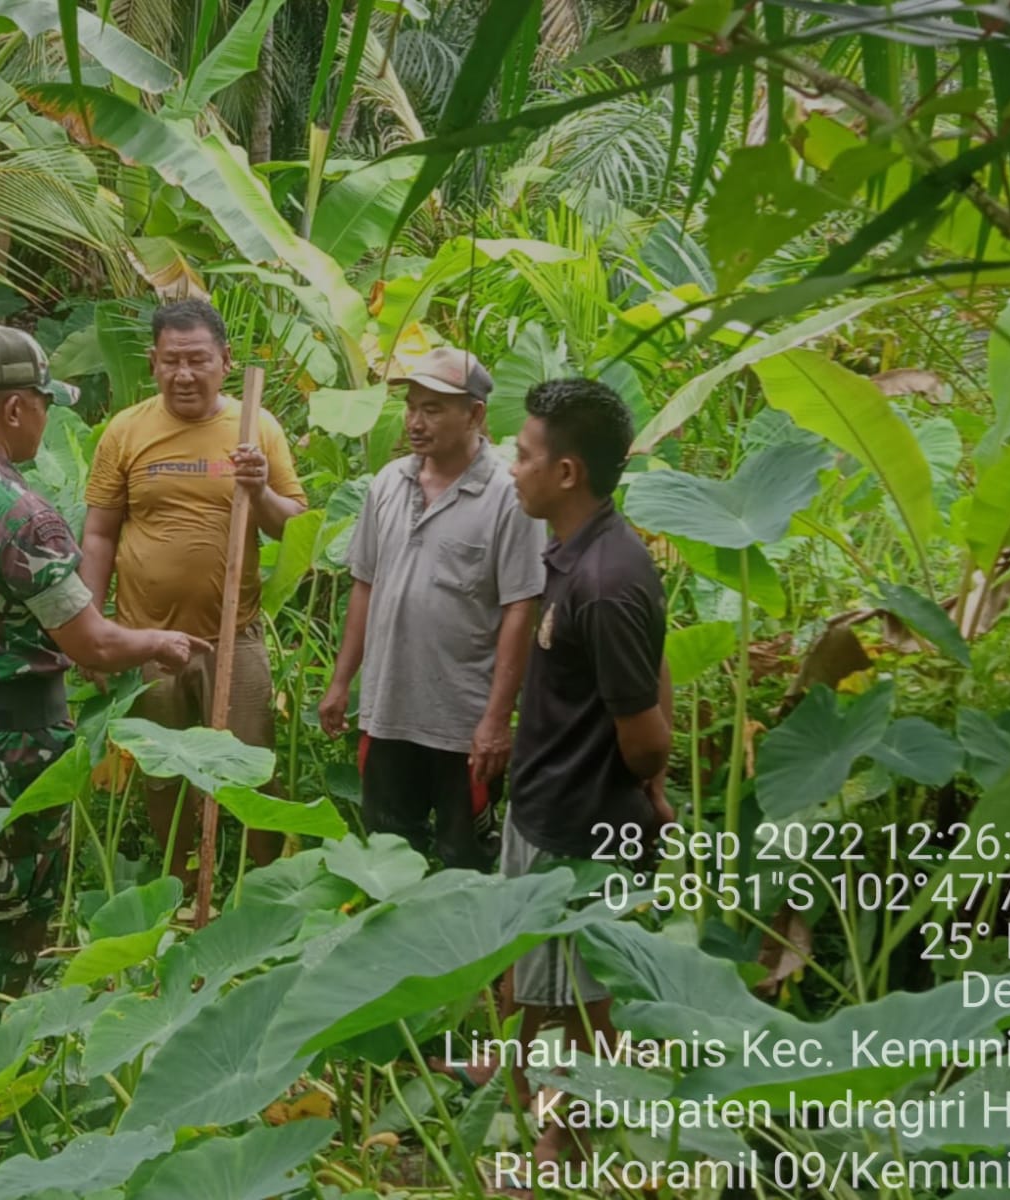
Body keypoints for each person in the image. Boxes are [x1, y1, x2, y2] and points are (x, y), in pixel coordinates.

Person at [0, 325, 209, 1056]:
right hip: (12, 748)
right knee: (10, 927)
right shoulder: (17, 509)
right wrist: (159, 642)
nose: (47, 419)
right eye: (44, 404)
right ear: (17, 409)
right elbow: (91, 642)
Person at [493, 377, 675, 1171]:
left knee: (581, 997)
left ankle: (568, 1146)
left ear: (566, 473)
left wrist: (650, 785)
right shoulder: (581, 551)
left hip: (581, 823)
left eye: (525, 455)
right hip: (543, 804)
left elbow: (643, 731)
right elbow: (651, 667)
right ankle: (539, 1119)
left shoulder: (607, 579)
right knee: (533, 986)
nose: (512, 467)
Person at [79, 299, 308, 882]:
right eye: (171, 361)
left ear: (225, 361)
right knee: (164, 776)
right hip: (147, 641)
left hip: (233, 636)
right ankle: (178, 890)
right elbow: (100, 534)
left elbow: (293, 524)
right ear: (153, 363)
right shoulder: (125, 431)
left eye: (198, 360)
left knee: (253, 771)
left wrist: (258, 492)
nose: (185, 374)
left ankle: (274, 890)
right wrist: (89, 633)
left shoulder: (258, 429)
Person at [319, 347, 544, 869]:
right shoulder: (387, 484)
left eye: (434, 409)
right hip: (388, 711)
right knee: (389, 860)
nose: (416, 422)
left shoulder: (510, 497)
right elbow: (365, 586)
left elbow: (520, 609)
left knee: (468, 862)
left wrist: (496, 719)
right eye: (412, 407)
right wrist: (340, 683)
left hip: (463, 725)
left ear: (476, 415)